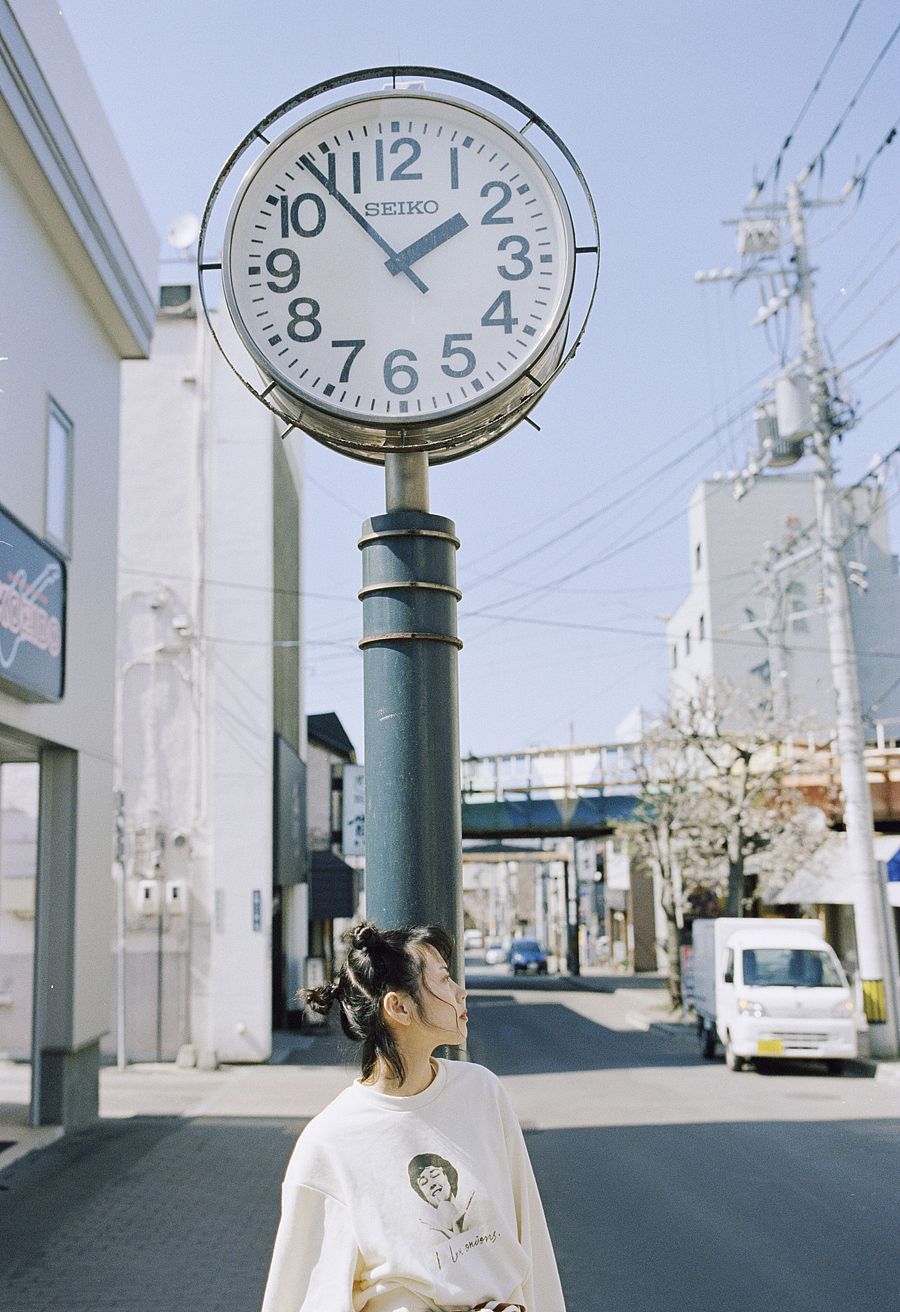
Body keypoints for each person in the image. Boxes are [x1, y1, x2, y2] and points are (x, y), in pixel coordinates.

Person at [260, 921, 567, 1312]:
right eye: (443, 979)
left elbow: (531, 1237)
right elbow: (303, 1298)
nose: (460, 991)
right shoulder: (329, 1143)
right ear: (399, 1007)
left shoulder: (481, 1092)